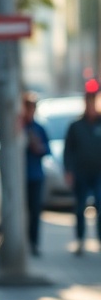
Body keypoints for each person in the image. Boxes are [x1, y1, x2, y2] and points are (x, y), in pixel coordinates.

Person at [62, 90, 101, 255]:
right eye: (88, 102)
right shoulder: (76, 126)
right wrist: (69, 170)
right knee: (80, 208)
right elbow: (68, 150)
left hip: (99, 173)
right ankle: (79, 240)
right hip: (81, 173)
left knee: (100, 206)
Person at [20, 92, 50, 257]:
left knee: (35, 211)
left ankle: (34, 243)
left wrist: (38, 146)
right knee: (20, 212)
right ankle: (21, 242)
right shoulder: (18, 127)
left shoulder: (39, 128)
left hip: (36, 176)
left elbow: (47, 150)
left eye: (32, 109)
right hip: (20, 178)